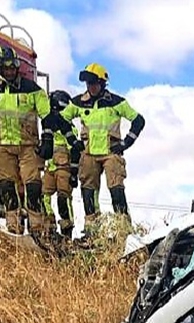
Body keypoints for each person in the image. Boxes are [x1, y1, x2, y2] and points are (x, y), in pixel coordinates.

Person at [0, 45, 73, 240]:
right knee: (7, 187)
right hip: (2, 146)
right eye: (7, 67)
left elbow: (47, 116)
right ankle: (14, 229)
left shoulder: (32, 89)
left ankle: (37, 230)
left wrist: (47, 139)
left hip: (28, 146)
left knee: (33, 187)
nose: (11, 70)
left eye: (13, 66)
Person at [59, 62, 145, 229]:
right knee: (88, 191)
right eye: (88, 83)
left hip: (111, 152)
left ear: (102, 83)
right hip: (89, 153)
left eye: (93, 83)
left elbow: (138, 120)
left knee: (116, 190)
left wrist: (126, 143)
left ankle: (124, 230)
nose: (90, 87)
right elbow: (61, 120)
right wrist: (73, 141)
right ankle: (91, 231)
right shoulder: (78, 102)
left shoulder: (116, 102)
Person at [39, 89, 82, 238]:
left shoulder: (69, 128)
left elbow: (75, 150)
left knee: (63, 199)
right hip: (49, 168)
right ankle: (49, 226)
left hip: (64, 168)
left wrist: (74, 173)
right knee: (43, 196)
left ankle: (66, 229)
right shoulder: (47, 126)